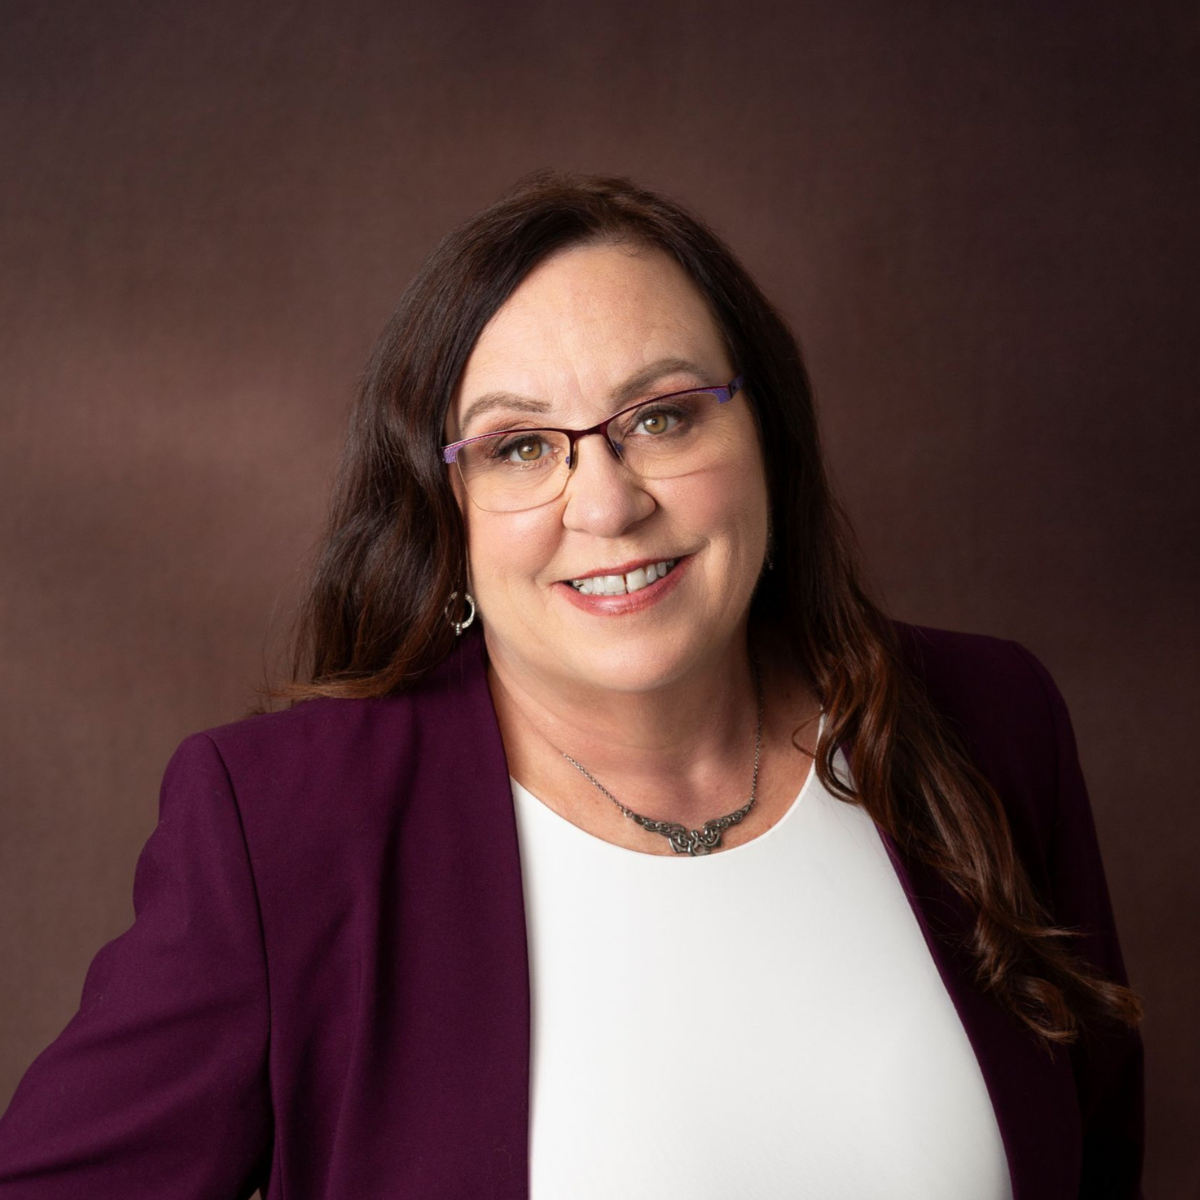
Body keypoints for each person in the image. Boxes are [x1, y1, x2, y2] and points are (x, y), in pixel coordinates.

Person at [0, 172, 1144, 1199]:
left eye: (661, 417)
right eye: (519, 446)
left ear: (768, 443)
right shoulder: (290, 828)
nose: (605, 505)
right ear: (444, 517)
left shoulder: (987, 723)